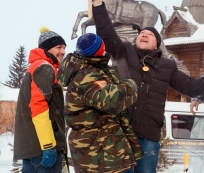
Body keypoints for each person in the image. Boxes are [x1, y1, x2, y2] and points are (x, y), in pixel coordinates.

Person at [85, 0, 204, 173]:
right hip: (121, 132)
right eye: (141, 33)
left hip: (148, 136)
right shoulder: (124, 52)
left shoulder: (167, 66)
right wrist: (98, 2)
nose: (143, 35)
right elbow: (106, 34)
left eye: (148, 34)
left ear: (156, 44)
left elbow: (192, 88)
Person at [57, 33, 144, 173]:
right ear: (97, 51)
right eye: (102, 48)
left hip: (102, 150)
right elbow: (111, 101)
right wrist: (130, 84)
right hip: (102, 155)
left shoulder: (88, 70)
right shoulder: (87, 76)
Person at [13, 27, 67, 173]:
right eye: (58, 47)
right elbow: (39, 107)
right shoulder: (45, 68)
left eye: (64, 47)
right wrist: (48, 145)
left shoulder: (35, 67)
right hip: (42, 149)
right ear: (47, 48)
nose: (63, 51)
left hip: (33, 147)